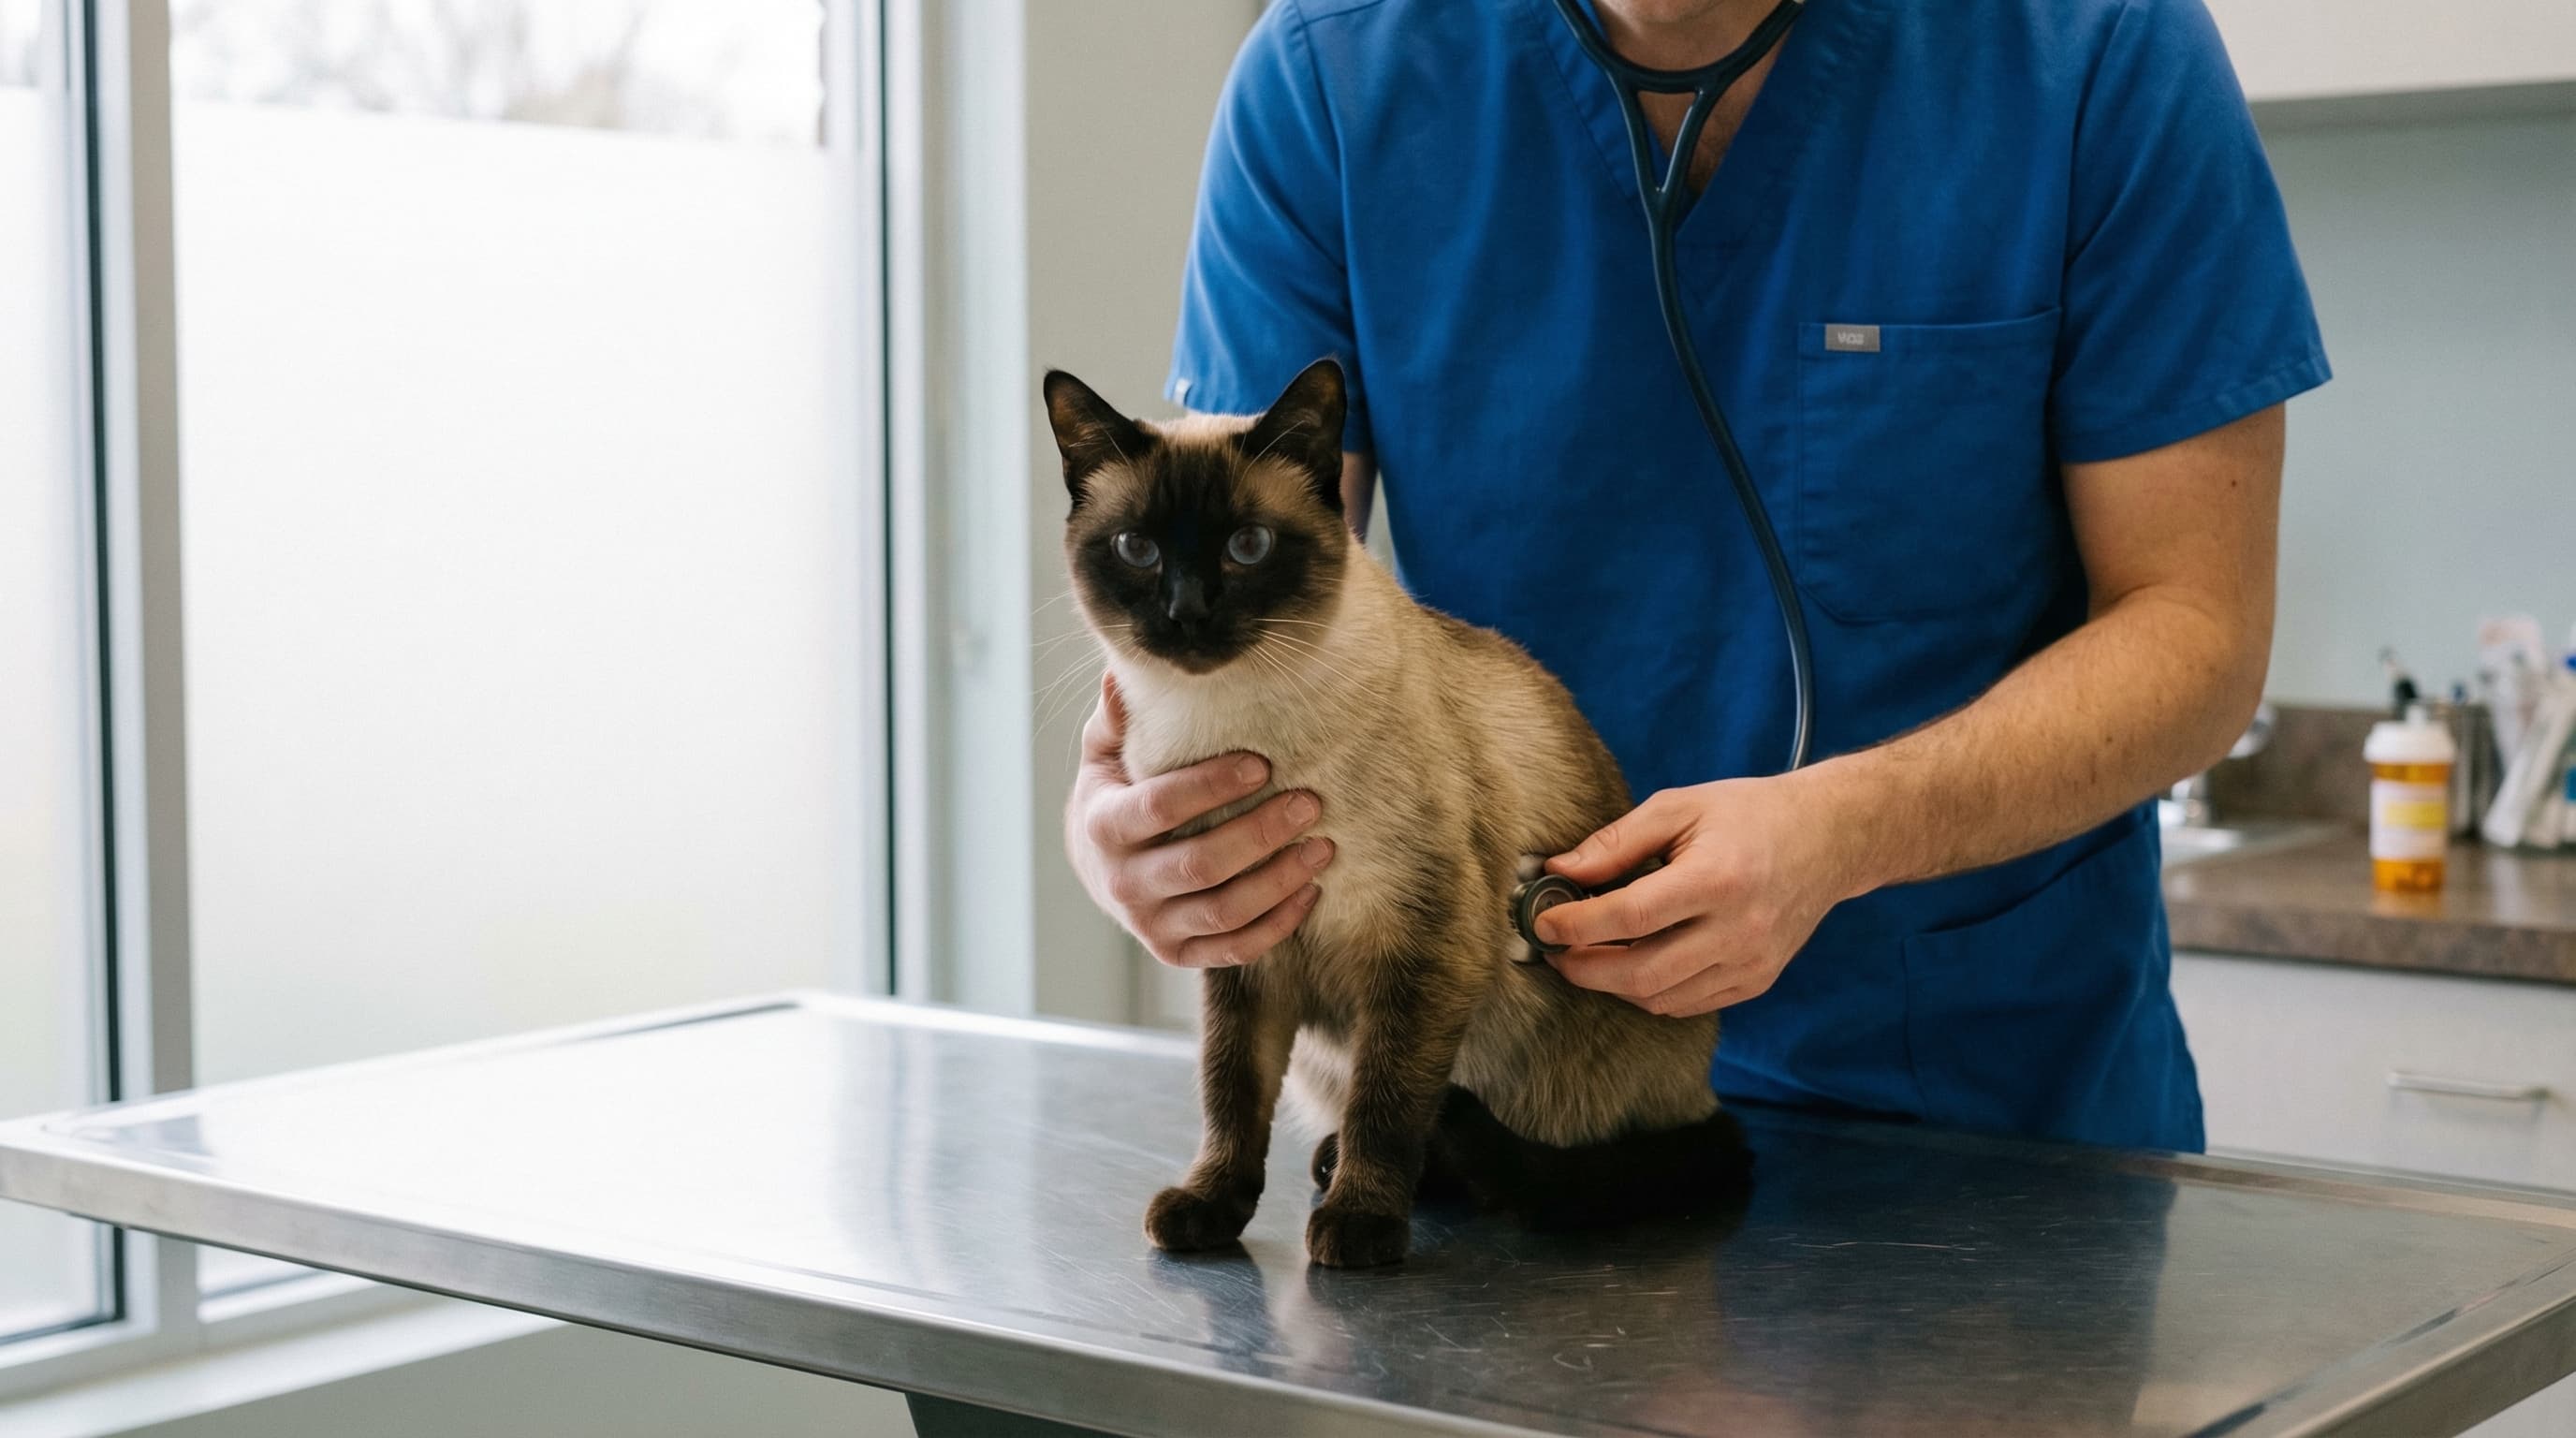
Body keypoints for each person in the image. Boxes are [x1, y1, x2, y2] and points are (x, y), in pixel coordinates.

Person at [1063, 0, 2328, 1152]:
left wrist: (1847, 833)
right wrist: (1125, 824)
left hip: (1989, 1119)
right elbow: (1229, 589)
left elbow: (2196, 627)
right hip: (1516, 1115)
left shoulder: (2094, 48)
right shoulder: (1329, 75)